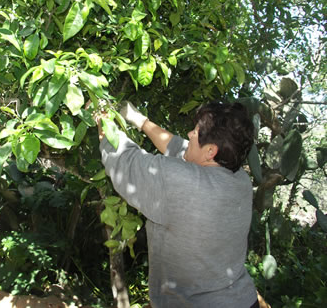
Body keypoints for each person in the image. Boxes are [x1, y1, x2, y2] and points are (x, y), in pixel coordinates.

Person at [98, 101, 259, 308]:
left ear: (211, 151)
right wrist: (140, 120)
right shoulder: (240, 179)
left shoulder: (182, 183)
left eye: (196, 131)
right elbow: (179, 148)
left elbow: (124, 161)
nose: (190, 134)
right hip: (243, 301)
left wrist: (102, 118)